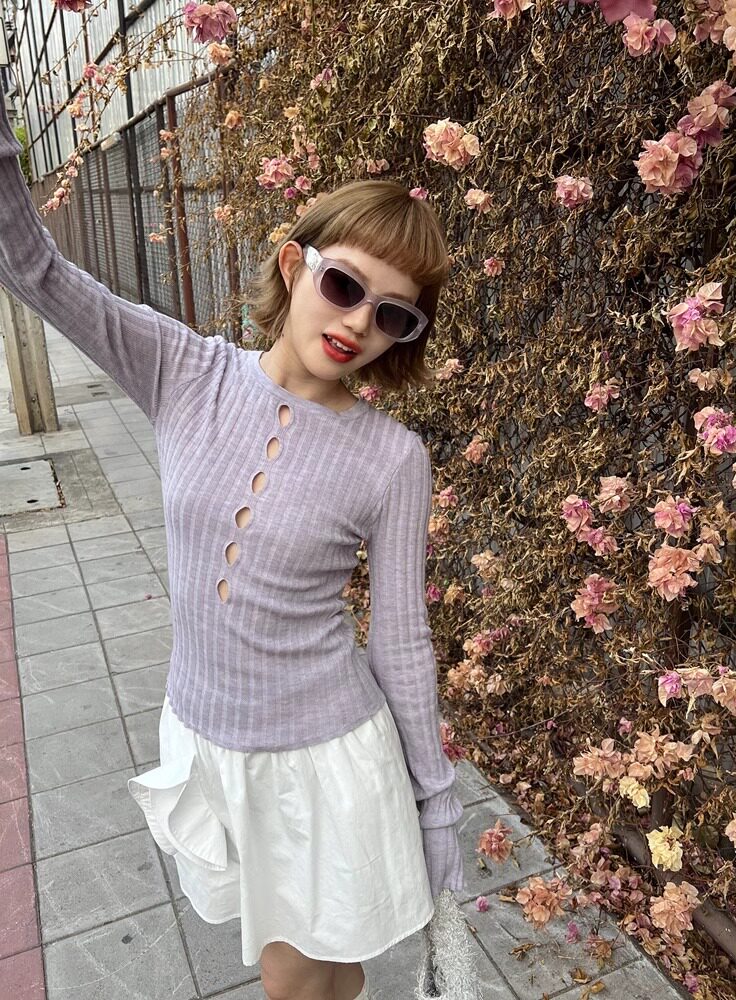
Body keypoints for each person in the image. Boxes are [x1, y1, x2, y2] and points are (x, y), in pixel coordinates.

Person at [0, 94, 466, 1000]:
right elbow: (35, 270)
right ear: (295, 265)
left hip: (326, 758)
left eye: (393, 316)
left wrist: (436, 803)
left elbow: (400, 643)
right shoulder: (183, 369)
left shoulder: (391, 458)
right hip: (210, 737)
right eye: (345, 286)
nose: (358, 323)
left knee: (297, 976)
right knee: (324, 964)